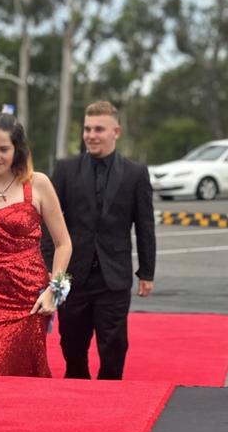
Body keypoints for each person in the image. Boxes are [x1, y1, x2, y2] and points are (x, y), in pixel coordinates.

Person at [42, 100, 156, 380]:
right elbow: (49, 225)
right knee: (70, 343)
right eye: (87, 128)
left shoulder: (135, 173)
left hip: (114, 276)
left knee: (114, 346)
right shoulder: (65, 170)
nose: (91, 135)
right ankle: (76, 397)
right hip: (68, 276)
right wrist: (48, 267)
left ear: (115, 132)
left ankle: (111, 395)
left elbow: (145, 226)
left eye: (99, 129)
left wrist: (147, 272)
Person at [0, 112, 72, 377]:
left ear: (18, 149)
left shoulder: (39, 183)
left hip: (29, 298)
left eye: (3, 149)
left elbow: (64, 244)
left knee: (28, 377)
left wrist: (55, 292)